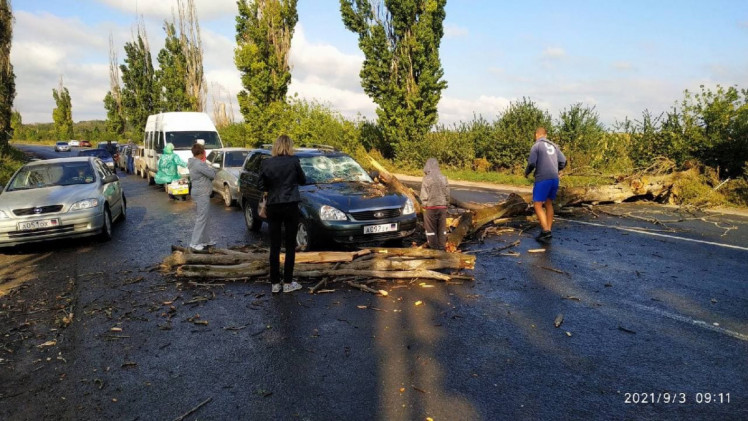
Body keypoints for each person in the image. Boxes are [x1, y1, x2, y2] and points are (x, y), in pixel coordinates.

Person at [259, 135, 306, 294]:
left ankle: (274, 283)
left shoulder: (266, 163)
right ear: (289, 146)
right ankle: (288, 282)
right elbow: (303, 180)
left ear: (276, 146)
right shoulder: (294, 161)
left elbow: (262, 185)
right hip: (290, 204)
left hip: (273, 205)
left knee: (275, 245)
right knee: (290, 245)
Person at [525, 127, 567, 242]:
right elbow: (563, 161)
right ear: (546, 135)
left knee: (537, 205)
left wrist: (527, 173)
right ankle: (548, 230)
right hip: (554, 178)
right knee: (548, 203)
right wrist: (558, 170)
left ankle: (545, 231)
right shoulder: (554, 145)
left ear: (536, 135)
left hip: (543, 178)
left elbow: (532, 163)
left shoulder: (537, 145)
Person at [188, 143, 216, 252]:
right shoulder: (199, 164)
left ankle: (205, 240)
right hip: (202, 193)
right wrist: (211, 168)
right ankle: (194, 243)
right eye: (203, 151)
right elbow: (212, 174)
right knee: (201, 218)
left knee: (205, 217)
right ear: (201, 153)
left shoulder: (193, 162)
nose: (204, 153)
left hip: (199, 192)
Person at [420, 158, 450, 250]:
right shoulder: (444, 178)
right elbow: (447, 194)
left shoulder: (426, 179)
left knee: (431, 230)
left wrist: (424, 204)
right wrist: (446, 204)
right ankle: (442, 247)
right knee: (441, 229)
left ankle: (434, 249)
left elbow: (424, 195)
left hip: (431, 208)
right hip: (442, 208)